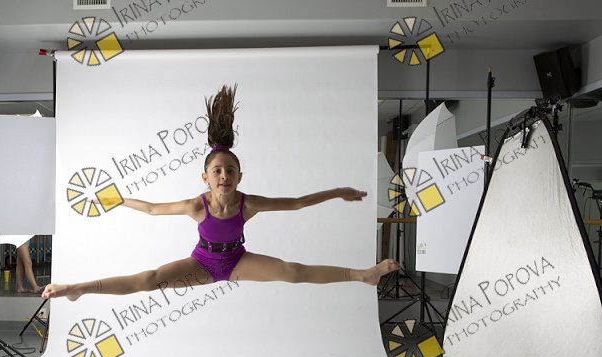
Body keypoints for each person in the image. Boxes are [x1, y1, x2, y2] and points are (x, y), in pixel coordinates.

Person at [43, 85, 399, 302]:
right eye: (217, 171)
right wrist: (117, 199)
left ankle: (362, 275)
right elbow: (152, 209)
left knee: (292, 271)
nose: (224, 176)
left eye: (230, 171)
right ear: (206, 178)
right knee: (148, 280)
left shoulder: (249, 204)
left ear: (239, 176)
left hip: (238, 260)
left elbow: (297, 203)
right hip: (202, 263)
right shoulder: (196, 206)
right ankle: (79, 288)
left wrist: (338, 192)